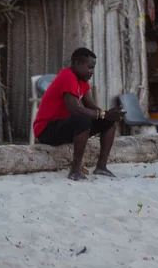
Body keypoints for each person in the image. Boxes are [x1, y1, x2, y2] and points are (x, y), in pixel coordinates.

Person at [33, 47, 125, 181]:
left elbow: (91, 106)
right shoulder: (67, 76)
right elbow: (74, 109)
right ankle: (75, 170)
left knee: (109, 121)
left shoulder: (82, 81)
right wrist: (103, 114)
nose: (92, 72)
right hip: (45, 130)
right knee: (83, 120)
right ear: (77, 64)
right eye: (89, 67)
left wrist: (109, 115)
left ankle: (101, 167)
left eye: (93, 68)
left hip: (64, 126)